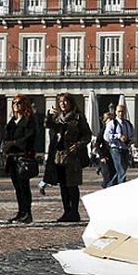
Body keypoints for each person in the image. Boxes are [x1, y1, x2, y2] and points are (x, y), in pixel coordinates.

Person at [42, 93, 92, 222]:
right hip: (58, 155)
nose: (62, 104)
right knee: (63, 185)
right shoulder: (57, 118)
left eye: (65, 101)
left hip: (72, 156)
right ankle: (66, 212)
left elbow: (87, 135)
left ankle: (74, 212)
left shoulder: (78, 117)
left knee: (72, 185)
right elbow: (47, 125)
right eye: (60, 102)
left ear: (71, 103)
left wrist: (78, 145)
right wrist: (49, 115)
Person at [3, 94, 37, 224]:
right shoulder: (12, 121)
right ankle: (20, 212)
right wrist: (6, 145)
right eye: (14, 103)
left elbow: (30, 138)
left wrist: (14, 143)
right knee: (17, 187)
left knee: (24, 187)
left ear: (25, 105)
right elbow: (6, 137)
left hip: (23, 158)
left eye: (19, 103)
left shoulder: (29, 121)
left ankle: (27, 213)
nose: (16, 105)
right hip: (12, 159)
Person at [103, 104, 134, 186]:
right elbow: (106, 136)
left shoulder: (128, 124)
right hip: (116, 149)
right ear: (116, 112)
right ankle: (122, 188)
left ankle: (109, 186)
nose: (121, 113)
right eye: (119, 111)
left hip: (125, 149)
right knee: (121, 171)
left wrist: (129, 140)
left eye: (123, 111)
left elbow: (131, 135)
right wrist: (118, 136)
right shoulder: (112, 123)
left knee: (121, 170)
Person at [95, 112, 116, 187]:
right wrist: (102, 156)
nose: (111, 121)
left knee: (114, 175)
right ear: (105, 120)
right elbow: (97, 144)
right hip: (105, 155)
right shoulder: (103, 130)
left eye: (112, 119)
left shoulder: (115, 129)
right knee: (107, 175)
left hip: (114, 155)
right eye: (109, 119)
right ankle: (106, 187)